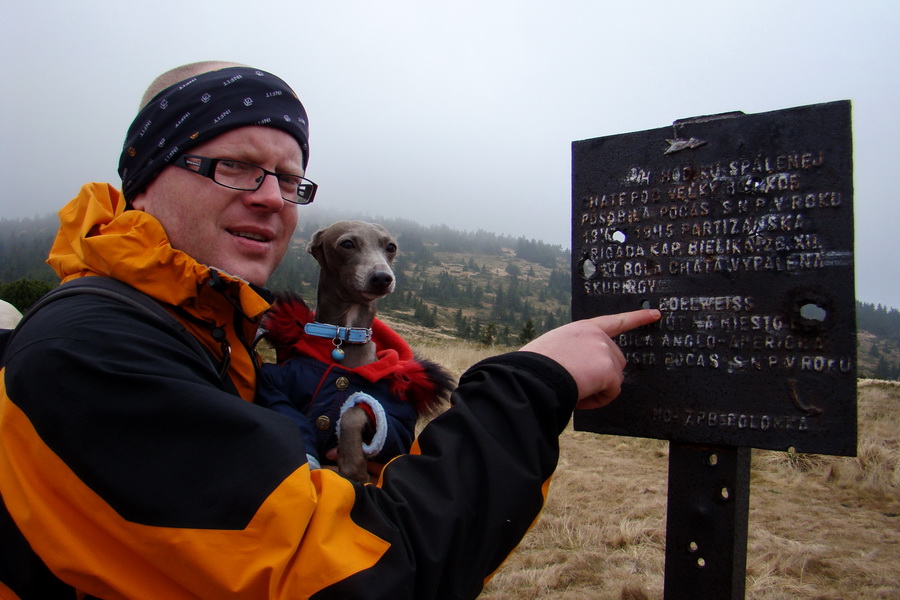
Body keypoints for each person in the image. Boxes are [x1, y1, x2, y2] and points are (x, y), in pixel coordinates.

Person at [0, 61, 660, 600]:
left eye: (289, 179)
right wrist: (531, 384)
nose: (267, 196)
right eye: (233, 164)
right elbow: (362, 576)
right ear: (145, 180)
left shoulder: (214, 333)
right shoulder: (91, 351)